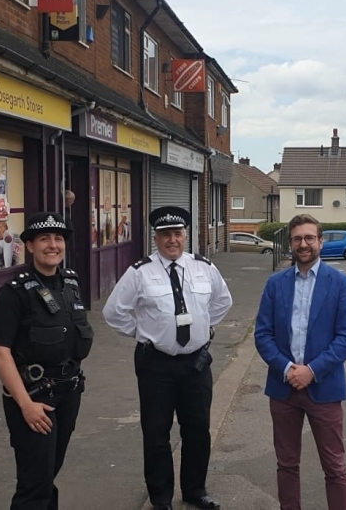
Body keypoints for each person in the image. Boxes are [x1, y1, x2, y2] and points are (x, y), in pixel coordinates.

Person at [102, 206, 232, 510]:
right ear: (156, 238)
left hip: (195, 364)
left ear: (185, 235)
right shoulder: (139, 272)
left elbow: (223, 301)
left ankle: (195, 491)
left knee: (197, 430)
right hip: (156, 365)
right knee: (157, 433)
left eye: (177, 233)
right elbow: (113, 312)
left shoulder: (203, 267)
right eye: (165, 235)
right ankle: (161, 499)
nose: (172, 240)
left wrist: (203, 328)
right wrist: (143, 332)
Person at [0, 211, 94, 510]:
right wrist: (26, 405)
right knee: (35, 483)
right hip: (34, 395)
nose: (53, 245)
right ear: (30, 246)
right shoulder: (14, 292)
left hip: (68, 392)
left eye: (58, 239)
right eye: (44, 238)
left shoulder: (70, 283)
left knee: (48, 475)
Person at [254, 214, 346, 510]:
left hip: (324, 388)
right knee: (286, 464)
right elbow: (263, 335)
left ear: (320, 242)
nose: (304, 244)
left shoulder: (339, 283)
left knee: (335, 467)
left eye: (310, 238)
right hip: (283, 388)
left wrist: (311, 371)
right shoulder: (275, 284)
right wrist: (287, 369)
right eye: (298, 238)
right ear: (290, 243)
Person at [63, 190, 76, 269]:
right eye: (72, 200)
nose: (73, 202)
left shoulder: (66, 212)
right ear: (67, 199)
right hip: (65, 245)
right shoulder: (63, 212)